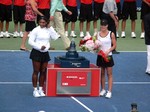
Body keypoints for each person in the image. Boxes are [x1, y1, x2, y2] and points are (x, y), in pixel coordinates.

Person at [28, 16, 59, 97]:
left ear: (46, 23)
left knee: (43, 71)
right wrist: (39, 47)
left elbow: (55, 37)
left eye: (43, 22)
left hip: (45, 53)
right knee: (36, 71)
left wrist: (51, 28)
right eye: (40, 22)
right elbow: (30, 41)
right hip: (36, 52)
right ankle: (35, 90)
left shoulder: (49, 29)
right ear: (38, 22)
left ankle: (41, 89)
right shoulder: (36, 30)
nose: (42, 24)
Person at [96, 19, 116, 98]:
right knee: (102, 73)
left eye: (104, 25)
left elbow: (114, 45)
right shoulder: (97, 34)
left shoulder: (111, 34)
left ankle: (109, 91)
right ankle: (103, 89)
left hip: (108, 56)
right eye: (101, 25)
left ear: (107, 25)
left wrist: (108, 50)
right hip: (100, 56)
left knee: (109, 74)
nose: (103, 26)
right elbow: (95, 44)